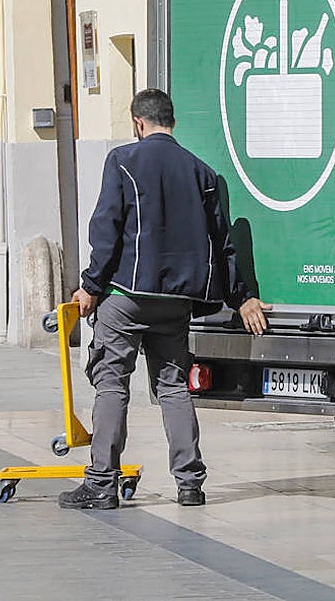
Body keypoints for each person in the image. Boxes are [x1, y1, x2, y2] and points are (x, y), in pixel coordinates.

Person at [59, 88, 271, 510]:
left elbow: (107, 230)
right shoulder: (203, 172)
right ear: (171, 122)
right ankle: (190, 483)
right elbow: (222, 244)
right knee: (173, 387)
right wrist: (243, 297)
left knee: (111, 384)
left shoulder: (123, 161)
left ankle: (102, 482)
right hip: (176, 302)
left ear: (138, 123)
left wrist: (91, 286)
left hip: (126, 297)